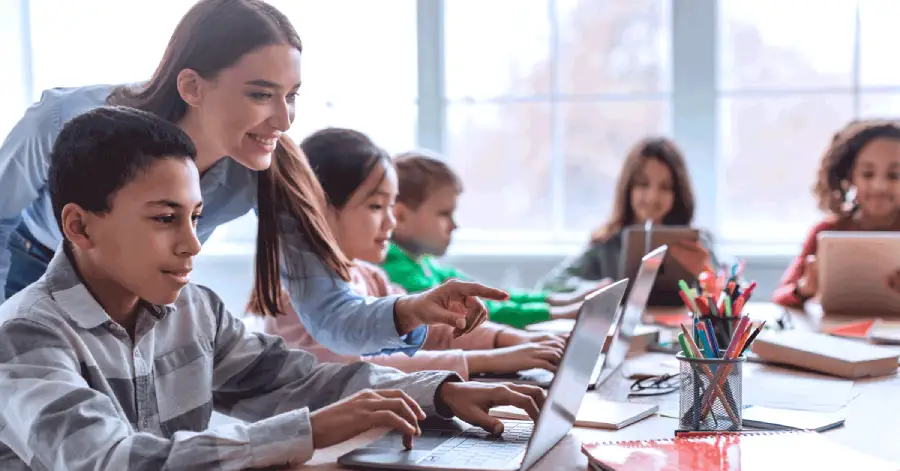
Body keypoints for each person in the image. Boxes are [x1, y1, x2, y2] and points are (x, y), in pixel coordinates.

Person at [0, 106, 545, 470]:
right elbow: (111, 460)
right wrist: (308, 430)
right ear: (79, 226)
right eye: (165, 219)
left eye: (196, 217)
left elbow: (297, 378)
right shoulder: (24, 336)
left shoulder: (195, 310)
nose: (193, 244)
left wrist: (437, 391)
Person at [0, 0, 507, 356]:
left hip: (139, 285)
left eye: (292, 96)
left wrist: (414, 309)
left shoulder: (265, 168)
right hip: (35, 266)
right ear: (193, 86)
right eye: (262, 95)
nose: (285, 121)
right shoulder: (65, 118)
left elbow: (329, 314)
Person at [264, 127, 566, 379]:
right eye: (376, 206)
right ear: (320, 207)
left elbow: (434, 331)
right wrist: (490, 360)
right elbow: (362, 371)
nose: (391, 222)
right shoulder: (298, 296)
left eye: (391, 207)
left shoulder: (371, 277)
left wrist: (516, 341)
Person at [381, 151, 590, 329]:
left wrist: (561, 301)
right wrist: (560, 313)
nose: (454, 225)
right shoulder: (393, 270)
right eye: (444, 214)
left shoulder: (423, 262)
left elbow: (489, 295)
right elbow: (478, 311)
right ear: (401, 217)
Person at [537, 137, 717, 306]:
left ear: (678, 193)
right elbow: (550, 284)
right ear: (628, 188)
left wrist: (707, 274)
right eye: (643, 184)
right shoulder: (607, 243)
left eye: (665, 187)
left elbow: (736, 290)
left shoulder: (696, 243)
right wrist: (603, 289)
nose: (652, 197)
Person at [773, 120, 900, 307]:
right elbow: (781, 295)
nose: (879, 186)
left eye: (894, 175)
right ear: (850, 176)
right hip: (836, 332)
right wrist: (805, 289)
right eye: (867, 174)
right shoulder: (826, 231)